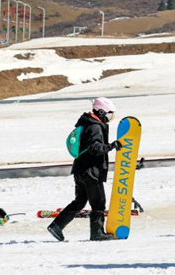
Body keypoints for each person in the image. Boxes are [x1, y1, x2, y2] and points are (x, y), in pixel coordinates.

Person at [48, 97, 122, 242]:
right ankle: (97, 233)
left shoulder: (87, 123)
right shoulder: (95, 126)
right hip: (90, 170)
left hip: (80, 169)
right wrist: (112, 146)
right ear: (101, 111)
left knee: (80, 201)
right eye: (109, 114)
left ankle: (57, 225)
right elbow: (95, 148)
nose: (110, 118)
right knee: (98, 202)